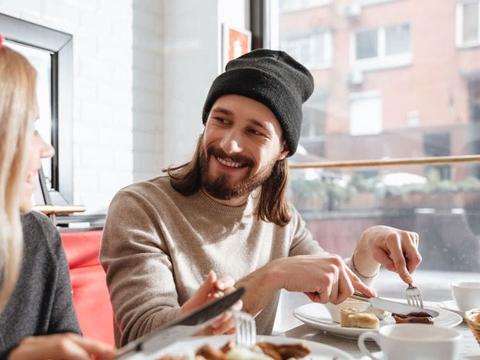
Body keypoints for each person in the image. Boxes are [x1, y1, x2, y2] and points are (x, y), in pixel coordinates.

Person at [101, 49, 422, 346]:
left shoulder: (281, 219)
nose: (230, 144)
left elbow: (341, 298)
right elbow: (142, 338)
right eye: (221, 120)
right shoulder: (140, 207)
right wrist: (270, 277)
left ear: (283, 149)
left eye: (254, 131)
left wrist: (367, 248)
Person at [0, 36, 235, 359]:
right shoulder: (139, 206)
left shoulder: (40, 239)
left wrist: (184, 327)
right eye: (30, 127)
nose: (47, 149)